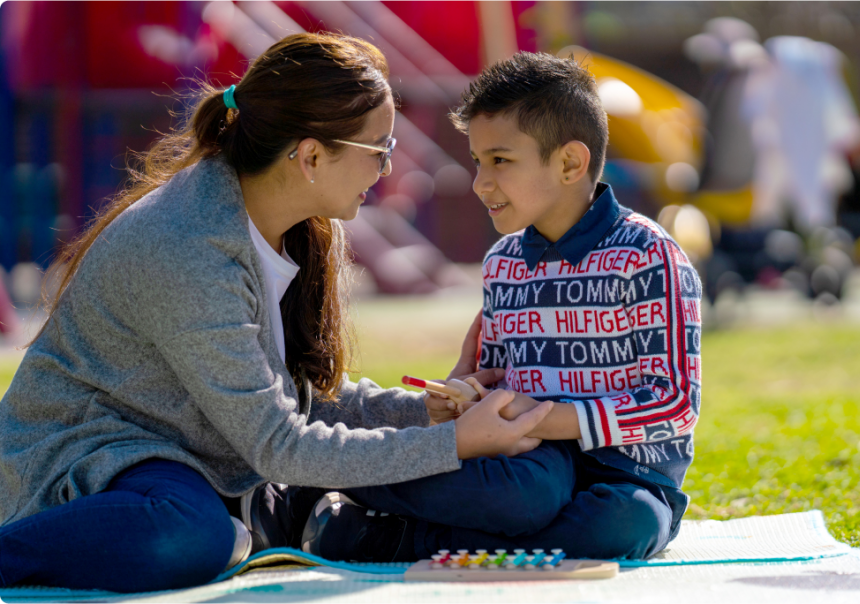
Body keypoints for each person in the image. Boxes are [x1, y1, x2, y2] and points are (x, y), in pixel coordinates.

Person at [0, 33, 552, 593]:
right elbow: (280, 444)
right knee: (188, 534)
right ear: (311, 155)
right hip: (97, 459)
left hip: (193, 458)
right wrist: (454, 444)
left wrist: (432, 412)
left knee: (518, 489)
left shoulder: (303, 226)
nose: (387, 170)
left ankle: (257, 523)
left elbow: (301, 397)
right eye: (379, 150)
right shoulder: (186, 245)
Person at [258, 52, 702, 564]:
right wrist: (468, 392)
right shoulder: (505, 262)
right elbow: (495, 380)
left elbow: (673, 403)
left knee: (623, 526)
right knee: (526, 497)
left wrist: (544, 417)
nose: (480, 183)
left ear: (570, 163)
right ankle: (307, 489)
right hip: (528, 465)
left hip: (628, 476)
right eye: (478, 161)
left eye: (500, 161)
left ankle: (385, 538)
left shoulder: (648, 257)